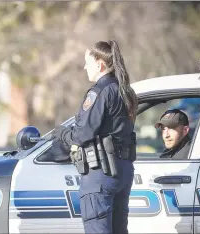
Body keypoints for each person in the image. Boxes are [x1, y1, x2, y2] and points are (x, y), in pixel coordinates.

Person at [51, 40, 138, 234]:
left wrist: (61, 133)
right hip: (122, 170)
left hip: (101, 174)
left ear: (99, 64)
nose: (84, 67)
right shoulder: (126, 91)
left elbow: (81, 134)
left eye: (87, 63)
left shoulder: (100, 92)